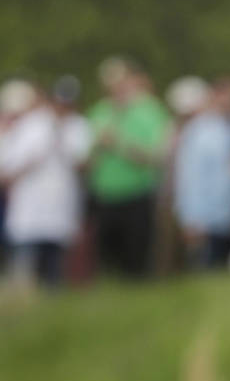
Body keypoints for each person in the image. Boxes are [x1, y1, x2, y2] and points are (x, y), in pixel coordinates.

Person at [0, 78, 92, 288]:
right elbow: (10, 162)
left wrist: (60, 137)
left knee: (55, 251)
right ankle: (22, 291)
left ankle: (52, 290)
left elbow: (83, 163)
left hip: (61, 200)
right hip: (30, 201)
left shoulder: (78, 126)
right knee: (27, 248)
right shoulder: (32, 124)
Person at [86, 58, 171, 278]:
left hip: (137, 194)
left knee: (136, 260)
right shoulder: (99, 111)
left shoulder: (150, 110)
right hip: (105, 195)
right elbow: (87, 159)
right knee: (107, 260)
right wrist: (97, 148)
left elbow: (157, 157)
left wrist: (118, 144)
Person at [173, 77, 230, 270]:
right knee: (206, 270)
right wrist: (191, 218)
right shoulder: (197, 131)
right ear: (216, 96)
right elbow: (189, 177)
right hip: (205, 220)